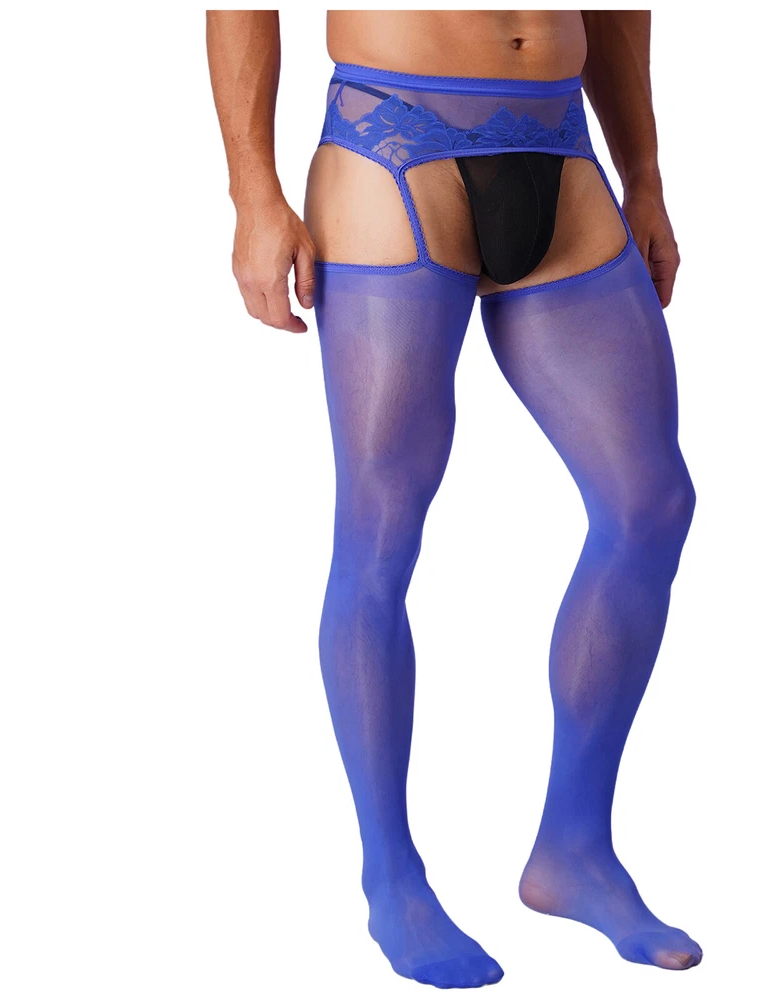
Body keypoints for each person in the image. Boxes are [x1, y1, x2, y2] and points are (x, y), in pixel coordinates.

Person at [207, 10, 700, 989]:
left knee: (650, 505)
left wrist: (643, 172)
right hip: (392, 145)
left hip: (561, 145)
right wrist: (253, 192)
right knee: (381, 534)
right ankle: (392, 877)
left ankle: (573, 849)